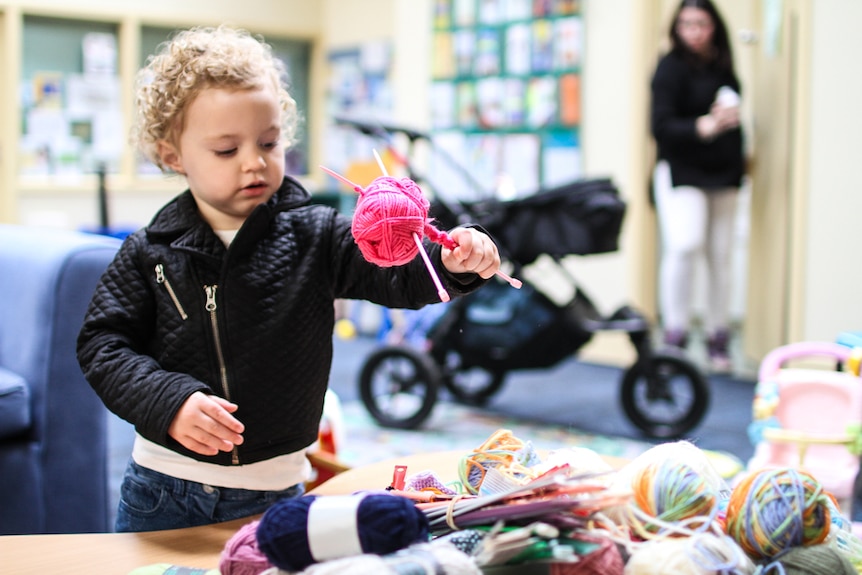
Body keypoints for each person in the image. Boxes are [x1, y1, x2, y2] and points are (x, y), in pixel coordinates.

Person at [76, 25, 502, 532]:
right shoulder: (149, 251)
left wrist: (452, 260)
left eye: (269, 142)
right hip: (164, 488)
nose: (254, 162)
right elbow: (103, 345)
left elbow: (395, 274)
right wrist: (167, 400)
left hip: (279, 489)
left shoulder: (315, 233)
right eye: (226, 150)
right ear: (173, 155)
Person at [650, 0, 745, 373]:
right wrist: (699, 127)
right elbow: (660, 127)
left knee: (720, 255)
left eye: (701, 24)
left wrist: (727, 118)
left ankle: (718, 338)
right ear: (676, 28)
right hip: (681, 170)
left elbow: (735, 113)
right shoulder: (669, 69)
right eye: (686, 24)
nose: (693, 31)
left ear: (713, 27)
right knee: (685, 244)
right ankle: (675, 335)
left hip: (723, 171)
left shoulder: (725, 67)